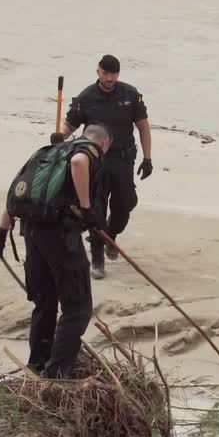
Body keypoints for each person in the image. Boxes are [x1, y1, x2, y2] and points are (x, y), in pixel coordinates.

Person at [0, 125, 112, 378]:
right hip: (60, 237)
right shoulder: (87, 150)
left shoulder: (49, 152)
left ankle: (37, 364)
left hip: (32, 233)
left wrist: (1, 231)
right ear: (105, 142)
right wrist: (87, 210)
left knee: (44, 304)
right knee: (77, 308)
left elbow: (19, 193)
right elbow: (79, 163)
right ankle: (57, 374)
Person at [52, 54, 152, 280]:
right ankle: (97, 256)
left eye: (114, 73)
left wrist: (148, 158)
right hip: (94, 159)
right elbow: (70, 125)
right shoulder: (86, 97)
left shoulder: (130, 95)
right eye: (106, 73)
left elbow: (143, 127)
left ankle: (111, 235)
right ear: (98, 72)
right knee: (95, 207)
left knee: (126, 203)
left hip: (123, 158)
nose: (110, 78)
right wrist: (60, 136)